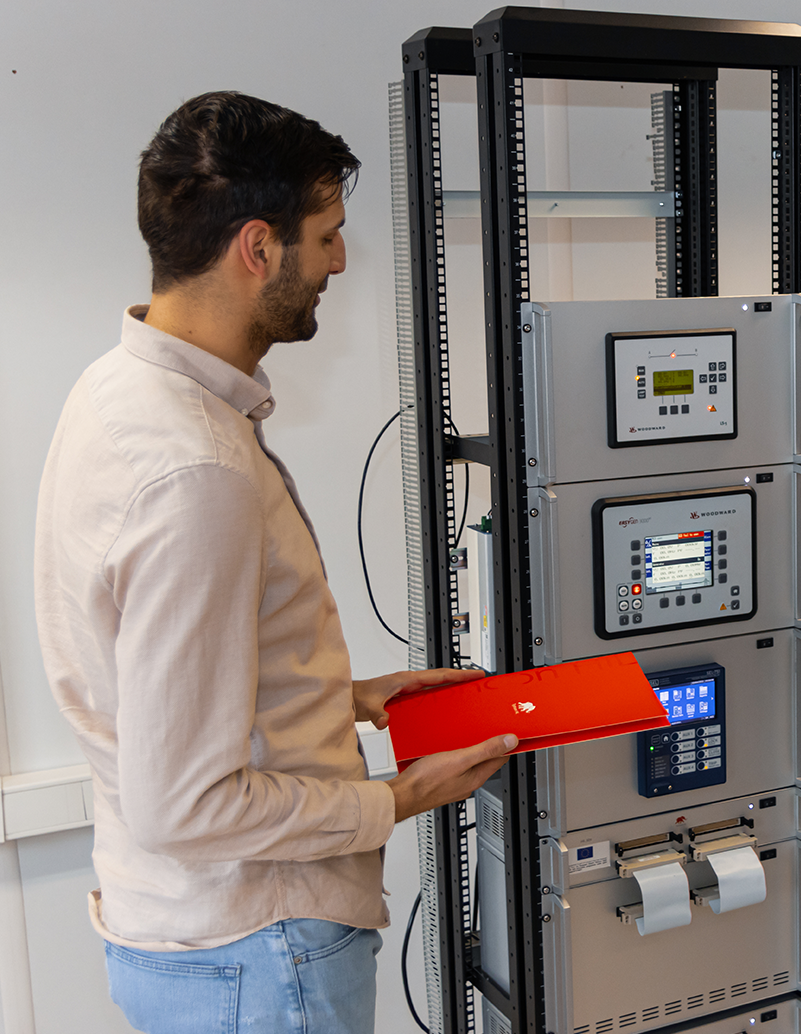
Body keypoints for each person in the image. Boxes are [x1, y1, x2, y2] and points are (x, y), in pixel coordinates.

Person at [34, 92, 516, 1034]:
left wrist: (333, 692)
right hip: (262, 954)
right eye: (327, 234)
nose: (339, 258)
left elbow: (154, 685)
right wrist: (396, 798)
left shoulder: (117, 392)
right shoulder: (195, 472)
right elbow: (189, 803)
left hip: (188, 941)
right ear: (258, 247)